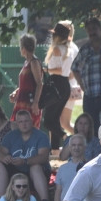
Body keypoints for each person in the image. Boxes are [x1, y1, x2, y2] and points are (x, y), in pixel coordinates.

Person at [0, 109, 50, 201]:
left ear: (31, 121)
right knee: (0, 165)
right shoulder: (10, 136)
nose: (24, 124)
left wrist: (25, 161)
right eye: (20, 122)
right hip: (15, 171)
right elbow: (0, 152)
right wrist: (5, 158)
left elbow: (44, 157)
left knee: (35, 167)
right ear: (17, 123)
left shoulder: (41, 136)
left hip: (35, 172)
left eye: (26, 121)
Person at [41, 21, 77, 150]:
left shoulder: (57, 49)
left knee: (48, 120)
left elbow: (58, 70)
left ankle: (65, 137)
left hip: (56, 83)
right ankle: (55, 148)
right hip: (65, 85)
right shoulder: (69, 50)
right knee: (54, 119)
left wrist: (46, 70)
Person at [9, 34, 44, 128]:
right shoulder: (26, 62)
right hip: (21, 101)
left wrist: (36, 103)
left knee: (30, 130)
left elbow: (39, 84)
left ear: (23, 48)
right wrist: (16, 92)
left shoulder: (34, 62)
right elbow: (26, 84)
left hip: (30, 103)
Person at [53, 133, 86, 201]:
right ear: (70, 148)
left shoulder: (90, 167)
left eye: (79, 145)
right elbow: (58, 191)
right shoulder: (62, 168)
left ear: (85, 147)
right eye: (73, 145)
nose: (76, 148)